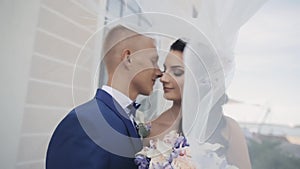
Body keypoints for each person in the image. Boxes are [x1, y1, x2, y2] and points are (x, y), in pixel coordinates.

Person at [46, 25, 162, 169]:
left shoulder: (129, 119)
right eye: (153, 60)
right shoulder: (84, 123)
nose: (159, 72)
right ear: (128, 58)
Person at [147, 39, 252, 169]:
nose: (163, 78)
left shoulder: (229, 129)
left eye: (177, 72)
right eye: (164, 69)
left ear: (200, 78)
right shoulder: (153, 129)